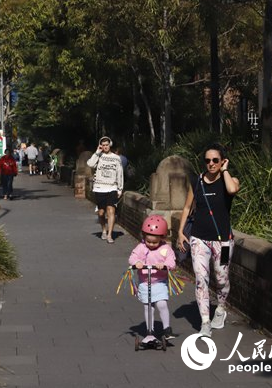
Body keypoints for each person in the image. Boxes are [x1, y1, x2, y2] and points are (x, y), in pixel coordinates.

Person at [177, 143, 240, 338]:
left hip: (224, 241)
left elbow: (232, 190)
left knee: (222, 278)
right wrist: (180, 231)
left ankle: (220, 309)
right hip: (199, 239)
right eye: (207, 160)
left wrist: (226, 171)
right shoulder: (197, 181)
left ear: (222, 161)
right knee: (201, 279)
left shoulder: (229, 180)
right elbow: (187, 207)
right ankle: (205, 322)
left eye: (215, 160)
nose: (211, 164)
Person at [129, 215, 177, 343]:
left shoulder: (165, 249)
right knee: (148, 307)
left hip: (160, 282)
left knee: (162, 304)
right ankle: (150, 331)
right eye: (148, 241)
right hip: (145, 282)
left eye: (154, 242)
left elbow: (172, 263)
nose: (150, 244)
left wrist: (164, 266)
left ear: (162, 238)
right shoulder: (141, 247)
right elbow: (132, 258)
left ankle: (167, 329)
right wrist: (137, 262)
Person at [86, 136, 124, 243]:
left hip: (112, 187)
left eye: (107, 145)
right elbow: (90, 164)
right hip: (99, 187)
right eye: (103, 145)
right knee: (101, 213)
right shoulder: (99, 156)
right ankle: (103, 230)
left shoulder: (116, 158)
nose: (105, 147)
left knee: (111, 211)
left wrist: (120, 188)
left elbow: (119, 173)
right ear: (100, 146)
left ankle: (110, 235)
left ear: (110, 145)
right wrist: (97, 152)